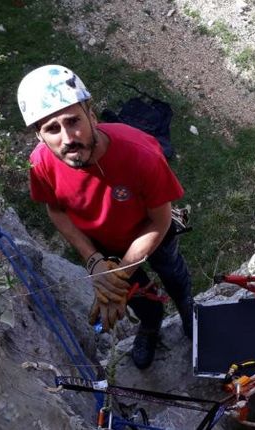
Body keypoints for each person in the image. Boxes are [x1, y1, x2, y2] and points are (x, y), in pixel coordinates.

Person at [17, 65, 195, 369]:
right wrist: (95, 262)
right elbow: (56, 209)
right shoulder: (41, 163)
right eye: (52, 129)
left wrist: (119, 272)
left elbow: (160, 221)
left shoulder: (140, 154)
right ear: (39, 135)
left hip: (151, 233)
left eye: (73, 121)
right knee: (136, 295)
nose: (68, 138)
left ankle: (188, 310)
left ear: (92, 115)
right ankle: (151, 325)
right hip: (104, 245)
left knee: (172, 273)